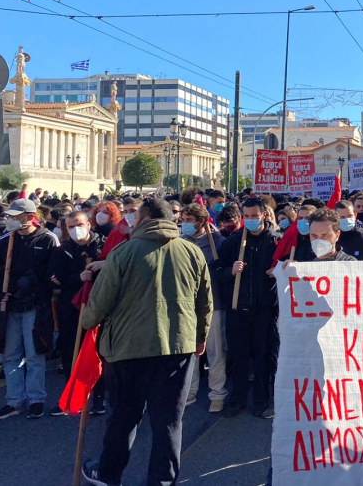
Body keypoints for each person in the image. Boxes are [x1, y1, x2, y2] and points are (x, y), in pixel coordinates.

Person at [79, 198, 212, 486]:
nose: (131, 219)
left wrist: (86, 320)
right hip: (178, 347)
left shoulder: (123, 253)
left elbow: (100, 301)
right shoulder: (191, 251)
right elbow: (205, 302)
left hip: (129, 349)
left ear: (147, 217)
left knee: (124, 416)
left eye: (135, 214)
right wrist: (200, 337)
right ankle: (162, 480)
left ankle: (108, 473)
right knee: (169, 420)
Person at [214, 198, 280, 418]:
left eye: (255, 216)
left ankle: (261, 400)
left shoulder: (276, 242)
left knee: (262, 356)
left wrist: (281, 271)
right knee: (239, 356)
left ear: (264, 215)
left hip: (265, 309)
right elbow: (216, 272)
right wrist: (229, 271)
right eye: (247, 216)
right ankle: (238, 399)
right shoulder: (232, 243)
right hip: (237, 308)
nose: (251, 220)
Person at [0, 199, 58, 420]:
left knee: (34, 354)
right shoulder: (5, 240)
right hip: (11, 306)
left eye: (15, 216)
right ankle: (14, 400)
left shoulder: (48, 239)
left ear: (28, 216)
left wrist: (36, 285)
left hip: (35, 305)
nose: (10, 219)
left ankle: (36, 399)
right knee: (10, 354)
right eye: (9, 216)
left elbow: (54, 272)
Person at [48, 210, 106, 416]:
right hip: (71, 308)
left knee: (99, 351)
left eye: (79, 225)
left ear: (89, 224)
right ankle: (73, 397)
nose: (76, 230)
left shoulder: (104, 245)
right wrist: (77, 277)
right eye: (71, 227)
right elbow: (55, 277)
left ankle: (99, 397)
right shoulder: (62, 250)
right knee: (71, 351)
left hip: (99, 305)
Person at [180, 204, 228, 413]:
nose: (185, 224)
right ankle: (189, 392)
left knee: (214, 351)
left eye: (189, 220)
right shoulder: (180, 243)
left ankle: (217, 393)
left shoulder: (218, 243)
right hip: (187, 305)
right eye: (183, 219)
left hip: (214, 304)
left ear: (201, 222)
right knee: (189, 351)